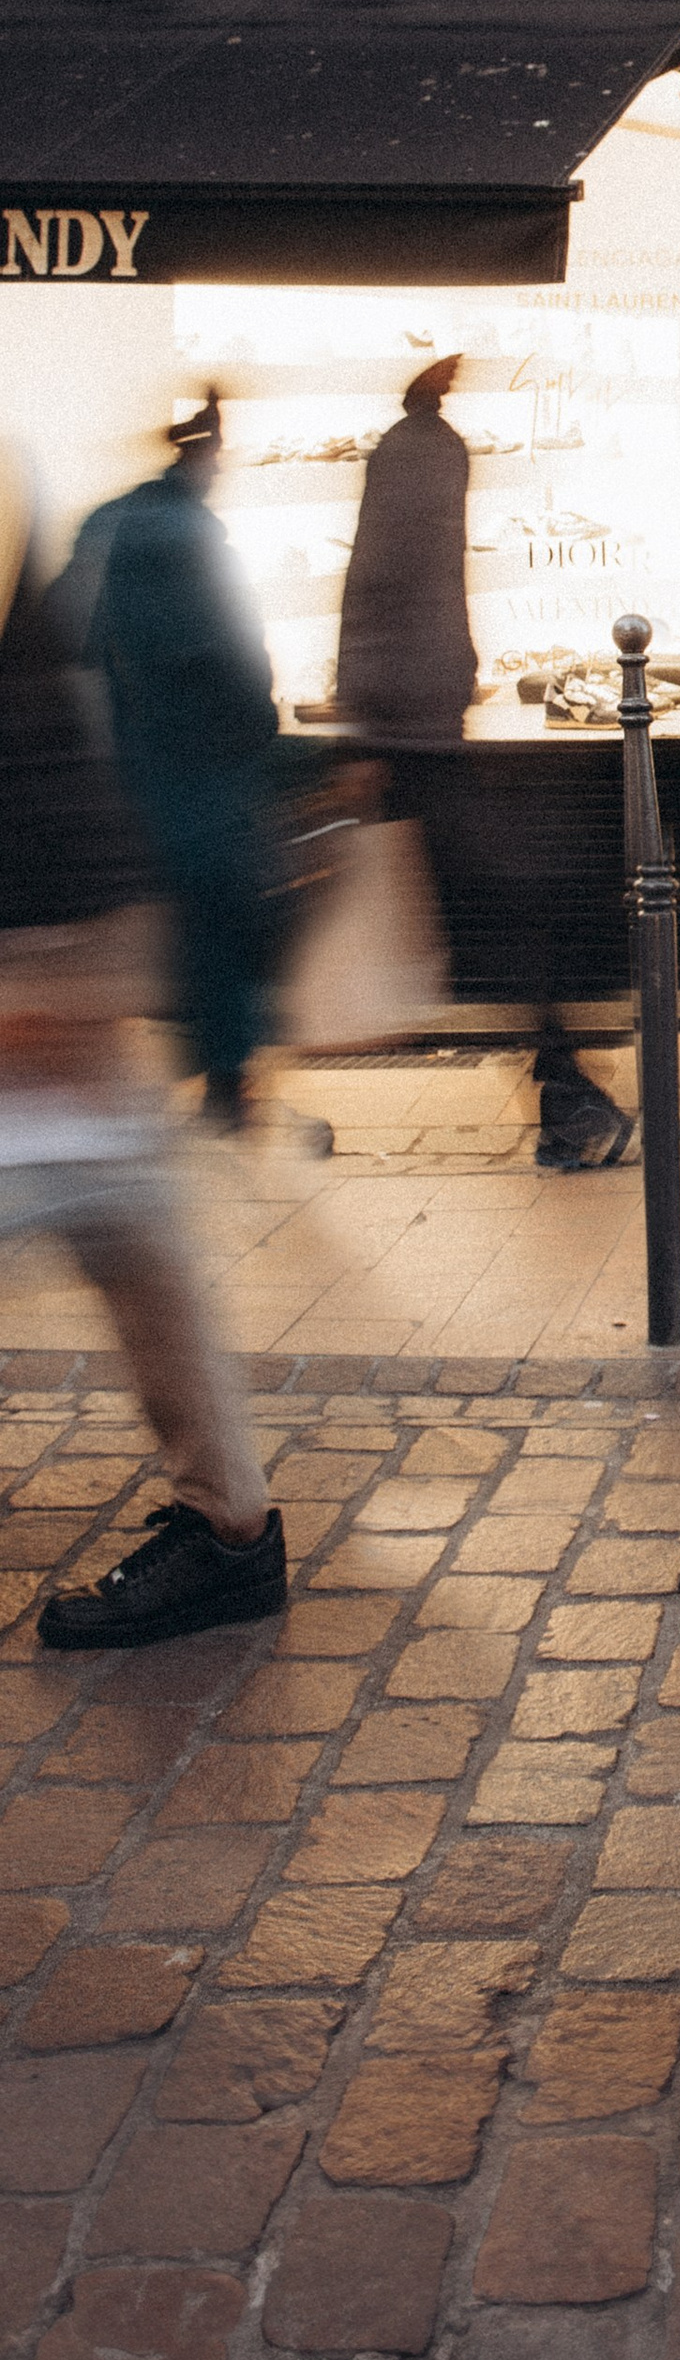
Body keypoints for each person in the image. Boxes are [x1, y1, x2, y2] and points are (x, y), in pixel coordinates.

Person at [0, 443, 286, 1651]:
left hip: (50, 918)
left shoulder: (113, 534)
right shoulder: (159, 537)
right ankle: (228, 1529)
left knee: (123, 1216)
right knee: (129, 1228)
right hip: (87, 891)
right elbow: (238, 684)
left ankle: (229, 1531)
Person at [336, 355, 629, 1173]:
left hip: (408, 730)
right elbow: (397, 591)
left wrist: (371, 719)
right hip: (416, 729)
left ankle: (564, 1087)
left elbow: (381, 589)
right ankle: (563, 1085)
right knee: (496, 909)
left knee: (487, 913)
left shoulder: (407, 460)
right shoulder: (425, 460)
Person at [84, 399, 282, 1133]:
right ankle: (226, 1081)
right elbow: (240, 647)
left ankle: (141, 1073)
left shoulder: (105, 528)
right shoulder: (200, 537)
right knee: (222, 918)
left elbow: (79, 642)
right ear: (202, 461)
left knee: (163, 922)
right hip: (207, 763)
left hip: (133, 763)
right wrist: (261, 721)